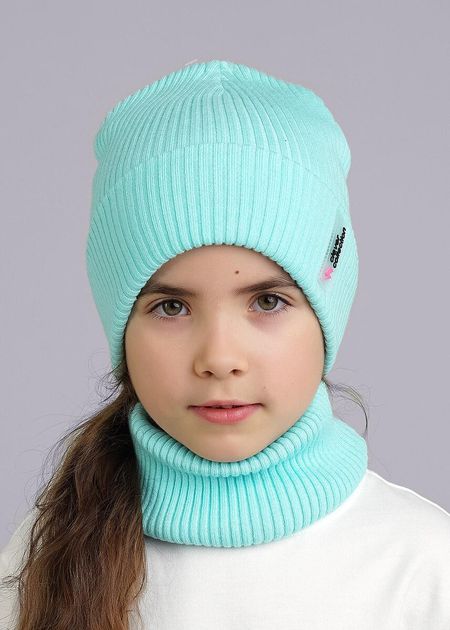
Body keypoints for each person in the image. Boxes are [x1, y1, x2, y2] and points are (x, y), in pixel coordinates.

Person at [1, 58, 449, 630]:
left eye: (268, 302)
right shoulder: (47, 558)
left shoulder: (424, 567)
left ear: (327, 312)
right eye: (171, 307)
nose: (218, 359)